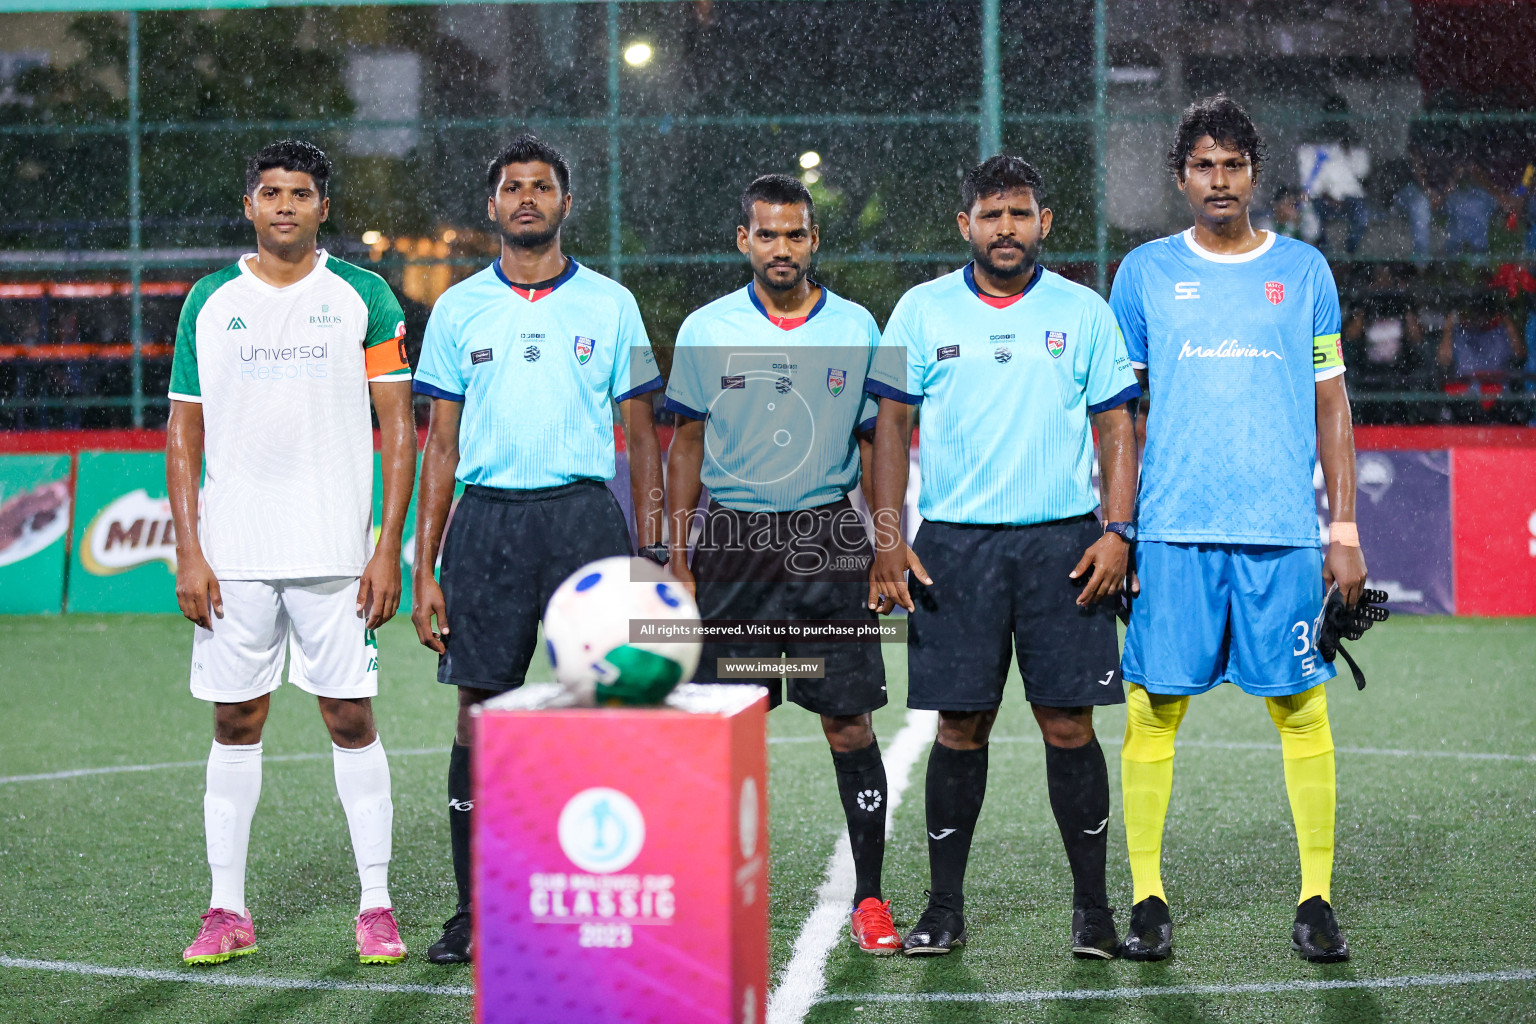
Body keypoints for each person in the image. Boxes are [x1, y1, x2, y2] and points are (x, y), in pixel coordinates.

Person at [1108, 95, 1366, 964]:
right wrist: (1121, 526)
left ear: (1255, 172)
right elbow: (1120, 417)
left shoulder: (1304, 272)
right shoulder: (1144, 273)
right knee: (1154, 710)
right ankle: (1147, 897)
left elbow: (1333, 404)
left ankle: (1317, 898)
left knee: (1301, 709)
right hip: (1173, 530)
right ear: (1181, 176)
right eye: (1204, 166)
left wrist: (1347, 529)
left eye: (1234, 164)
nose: (1219, 181)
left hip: (1282, 532)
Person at [866, 156, 1141, 958]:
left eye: (1020, 214)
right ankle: (943, 908)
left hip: (1064, 542)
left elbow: (1119, 426)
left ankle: (1092, 909)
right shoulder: (919, 310)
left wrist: (1118, 532)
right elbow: (888, 428)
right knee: (961, 725)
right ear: (966, 227)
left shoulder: (1083, 311)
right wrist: (888, 539)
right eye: (991, 215)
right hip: (954, 544)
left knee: (1066, 723)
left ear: (1044, 223)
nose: (1006, 228)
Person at [410, 134, 665, 964]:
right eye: (513, 187)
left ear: (565, 203)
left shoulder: (612, 304)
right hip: (486, 525)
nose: (527, 198)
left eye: (542, 187)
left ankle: (597, 900)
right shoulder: (456, 308)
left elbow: (641, 435)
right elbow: (439, 447)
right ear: (492, 206)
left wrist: (653, 549)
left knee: (603, 713)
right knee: (480, 716)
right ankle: (475, 910)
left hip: (585, 520)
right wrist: (425, 568)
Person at [166, 140, 417, 966]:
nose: (284, 206)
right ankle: (224, 908)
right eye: (269, 192)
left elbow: (401, 430)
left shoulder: (364, 297)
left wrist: (386, 551)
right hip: (234, 555)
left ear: (322, 208)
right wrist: (190, 551)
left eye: (300, 193)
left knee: (350, 717)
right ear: (249, 205)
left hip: (336, 553)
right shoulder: (209, 300)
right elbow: (182, 432)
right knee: (236, 721)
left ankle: (375, 905)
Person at [664, 174, 900, 954]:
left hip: (829, 541)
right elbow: (686, 446)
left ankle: (870, 896)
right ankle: (706, 898)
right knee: (723, 729)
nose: (782, 249)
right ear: (744, 241)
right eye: (767, 235)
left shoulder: (860, 325)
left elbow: (876, 446)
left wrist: (883, 545)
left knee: (848, 723)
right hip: (732, 547)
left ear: (814, 240)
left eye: (795, 234)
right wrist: (677, 553)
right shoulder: (706, 327)